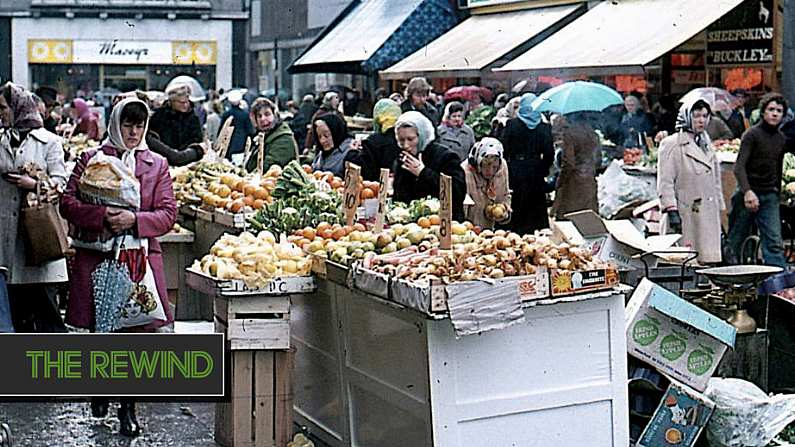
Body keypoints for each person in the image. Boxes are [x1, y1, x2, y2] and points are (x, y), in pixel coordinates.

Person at [60, 97, 176, 436]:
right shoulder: (91, 159)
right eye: (128, 125)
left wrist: (134, 220)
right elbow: (67, 202)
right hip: (97, 258)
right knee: (103, 332)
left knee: (134, 336)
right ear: (116, 124)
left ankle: (128, 407)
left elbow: (168, 213)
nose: (133, 132)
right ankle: (100, 387)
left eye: (139, 126)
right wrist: (103, 217)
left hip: (138, 262)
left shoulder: (157, 164)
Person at [0, 82, 68, 332]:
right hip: (7, 239)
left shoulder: (49, 142)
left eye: (4, 108)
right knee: (16, 314)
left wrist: (34, 184)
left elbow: (62, 183)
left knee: (47, 312)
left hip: (40, 237)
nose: (1, 113)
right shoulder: (2, 139)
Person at [727, 93, 791, 267]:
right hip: (747, 193)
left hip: (769, 194)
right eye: (771, 109)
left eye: (779, 111)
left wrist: (778, 193)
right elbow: (739, 167)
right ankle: (732, 278)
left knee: (774, 241)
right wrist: (747, 191)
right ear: (763, 112)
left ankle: (778, 283)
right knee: (736, 240)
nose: (775, 114)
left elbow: (777, 168)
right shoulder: (751, 135)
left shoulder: (781, 139)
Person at [657, 100, 724, 264]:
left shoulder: (706, 144)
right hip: (685, 211)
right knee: (685, 259)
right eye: (696, 116)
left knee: (706, 259)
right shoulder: (672, 144)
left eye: (705, 116)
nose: (701, 120)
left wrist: (720, 211)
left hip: (707, 211)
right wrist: (670, 209)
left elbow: (716, 182)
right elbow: (665, 181)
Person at [392, 111, 466, 221]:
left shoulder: (446, 156)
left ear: (421, 136)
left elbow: (457, 192)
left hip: (445, 223)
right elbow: (399, 196)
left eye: (411, 139)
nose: (406, 145)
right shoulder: (402, 160)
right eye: (401, 140)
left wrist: (423, 172)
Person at [498, 93, 554, 235]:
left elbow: (504, 149)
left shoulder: (512, 125)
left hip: (515, 170)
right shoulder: (544, 128)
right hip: (535, 171)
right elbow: (549, 154)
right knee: (534, 207)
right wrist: (542, 169)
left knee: (517, 206)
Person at [552, 115, 600, 220]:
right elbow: (598, 160)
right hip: (589, 180)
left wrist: (560, 181)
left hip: (573, 183)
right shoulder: (593, 134)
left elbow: (569, 162)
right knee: (588, 220)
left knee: (570, 220)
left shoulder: (570, 134)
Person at [344, 99, 402, 181]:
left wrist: (352, 152)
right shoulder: (406, 140)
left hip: (375, 190)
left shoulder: (374, 142)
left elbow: (360, 171)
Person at [462, 137, 511, 229]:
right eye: (485, 166)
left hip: (490, 230)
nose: (490, 171)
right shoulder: (465, 172)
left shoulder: (501, 168)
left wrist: (503, 213)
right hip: (470, 229)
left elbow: (505, 194)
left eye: (494, 167)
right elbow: (462, 209)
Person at [245, 98, 298, 172]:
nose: (263, 119)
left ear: (275, 115)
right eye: (259, 116)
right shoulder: (265, 136)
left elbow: (268, 167)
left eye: (267, 114)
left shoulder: (283, 138)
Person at [148, 84, 204, 153]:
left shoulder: (193, 117)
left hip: (187, 156)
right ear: (172, 102)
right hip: (162, 155)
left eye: (187, 102)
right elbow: (153, 137)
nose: (185, 105)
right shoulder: (159, 116)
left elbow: (197, 139)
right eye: (181, 102)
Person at [311, 113, 354, 177]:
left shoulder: (350, 152)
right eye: (319, 137)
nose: (322, 141)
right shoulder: (321, 153)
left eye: (326, 135)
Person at [219, 90, 254, 159]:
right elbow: (250, 131)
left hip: (228, 145)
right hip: (241, 145)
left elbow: (221, 130)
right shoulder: (245, 114)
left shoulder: (226, 114)